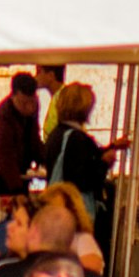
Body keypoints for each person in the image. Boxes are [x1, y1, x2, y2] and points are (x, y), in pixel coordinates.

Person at [42, 80, 113, 228]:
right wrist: (104, 164)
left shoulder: (55, 135)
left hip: (56, 205)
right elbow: (81, 180)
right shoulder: (77, 138)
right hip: (75, 211)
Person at [0, 71, 42, 203]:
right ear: (13, 96)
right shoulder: (3, 120)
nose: (29, 107)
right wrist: (17, 190)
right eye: (23, 103)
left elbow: (34, 140)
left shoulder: (32, 109)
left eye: (32, 101)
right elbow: (5, 157)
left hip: (19, 172)